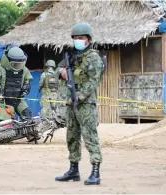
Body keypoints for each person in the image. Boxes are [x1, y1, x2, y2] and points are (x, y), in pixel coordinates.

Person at [55, 22, 105, 185]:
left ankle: (95, 172)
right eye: (75, 38)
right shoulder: (71, 55)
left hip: (85, 103)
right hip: (70, 102)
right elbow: (58, 69)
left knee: (90, 136)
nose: (78, 40)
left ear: (88, 39)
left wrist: (79, 96)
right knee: (72, 136)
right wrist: (61, 73)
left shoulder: (94, 58)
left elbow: (93, 81)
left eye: (81, 38)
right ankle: (73, 169)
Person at [0, 46, 34, 135]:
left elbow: (29, 80)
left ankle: (30, 134)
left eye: (20, 64)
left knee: (27, 114)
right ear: (8, 61)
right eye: (16, 64)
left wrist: (25, 89)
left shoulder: (24, 70)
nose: (18, 66)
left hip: (18, 99)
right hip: (2, 99)